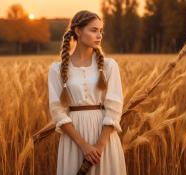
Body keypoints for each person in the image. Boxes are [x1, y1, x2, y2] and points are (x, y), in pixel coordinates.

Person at [47, 10, 127, 175]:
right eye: (93, 30)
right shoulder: (57, 69)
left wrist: (99, 146)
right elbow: (58, 112)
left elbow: (114, 108)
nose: (99, 35)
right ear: (78, 31)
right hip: (73, 140)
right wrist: (83, 145)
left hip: (104, 138)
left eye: (101, 31)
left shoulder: (109, 66)